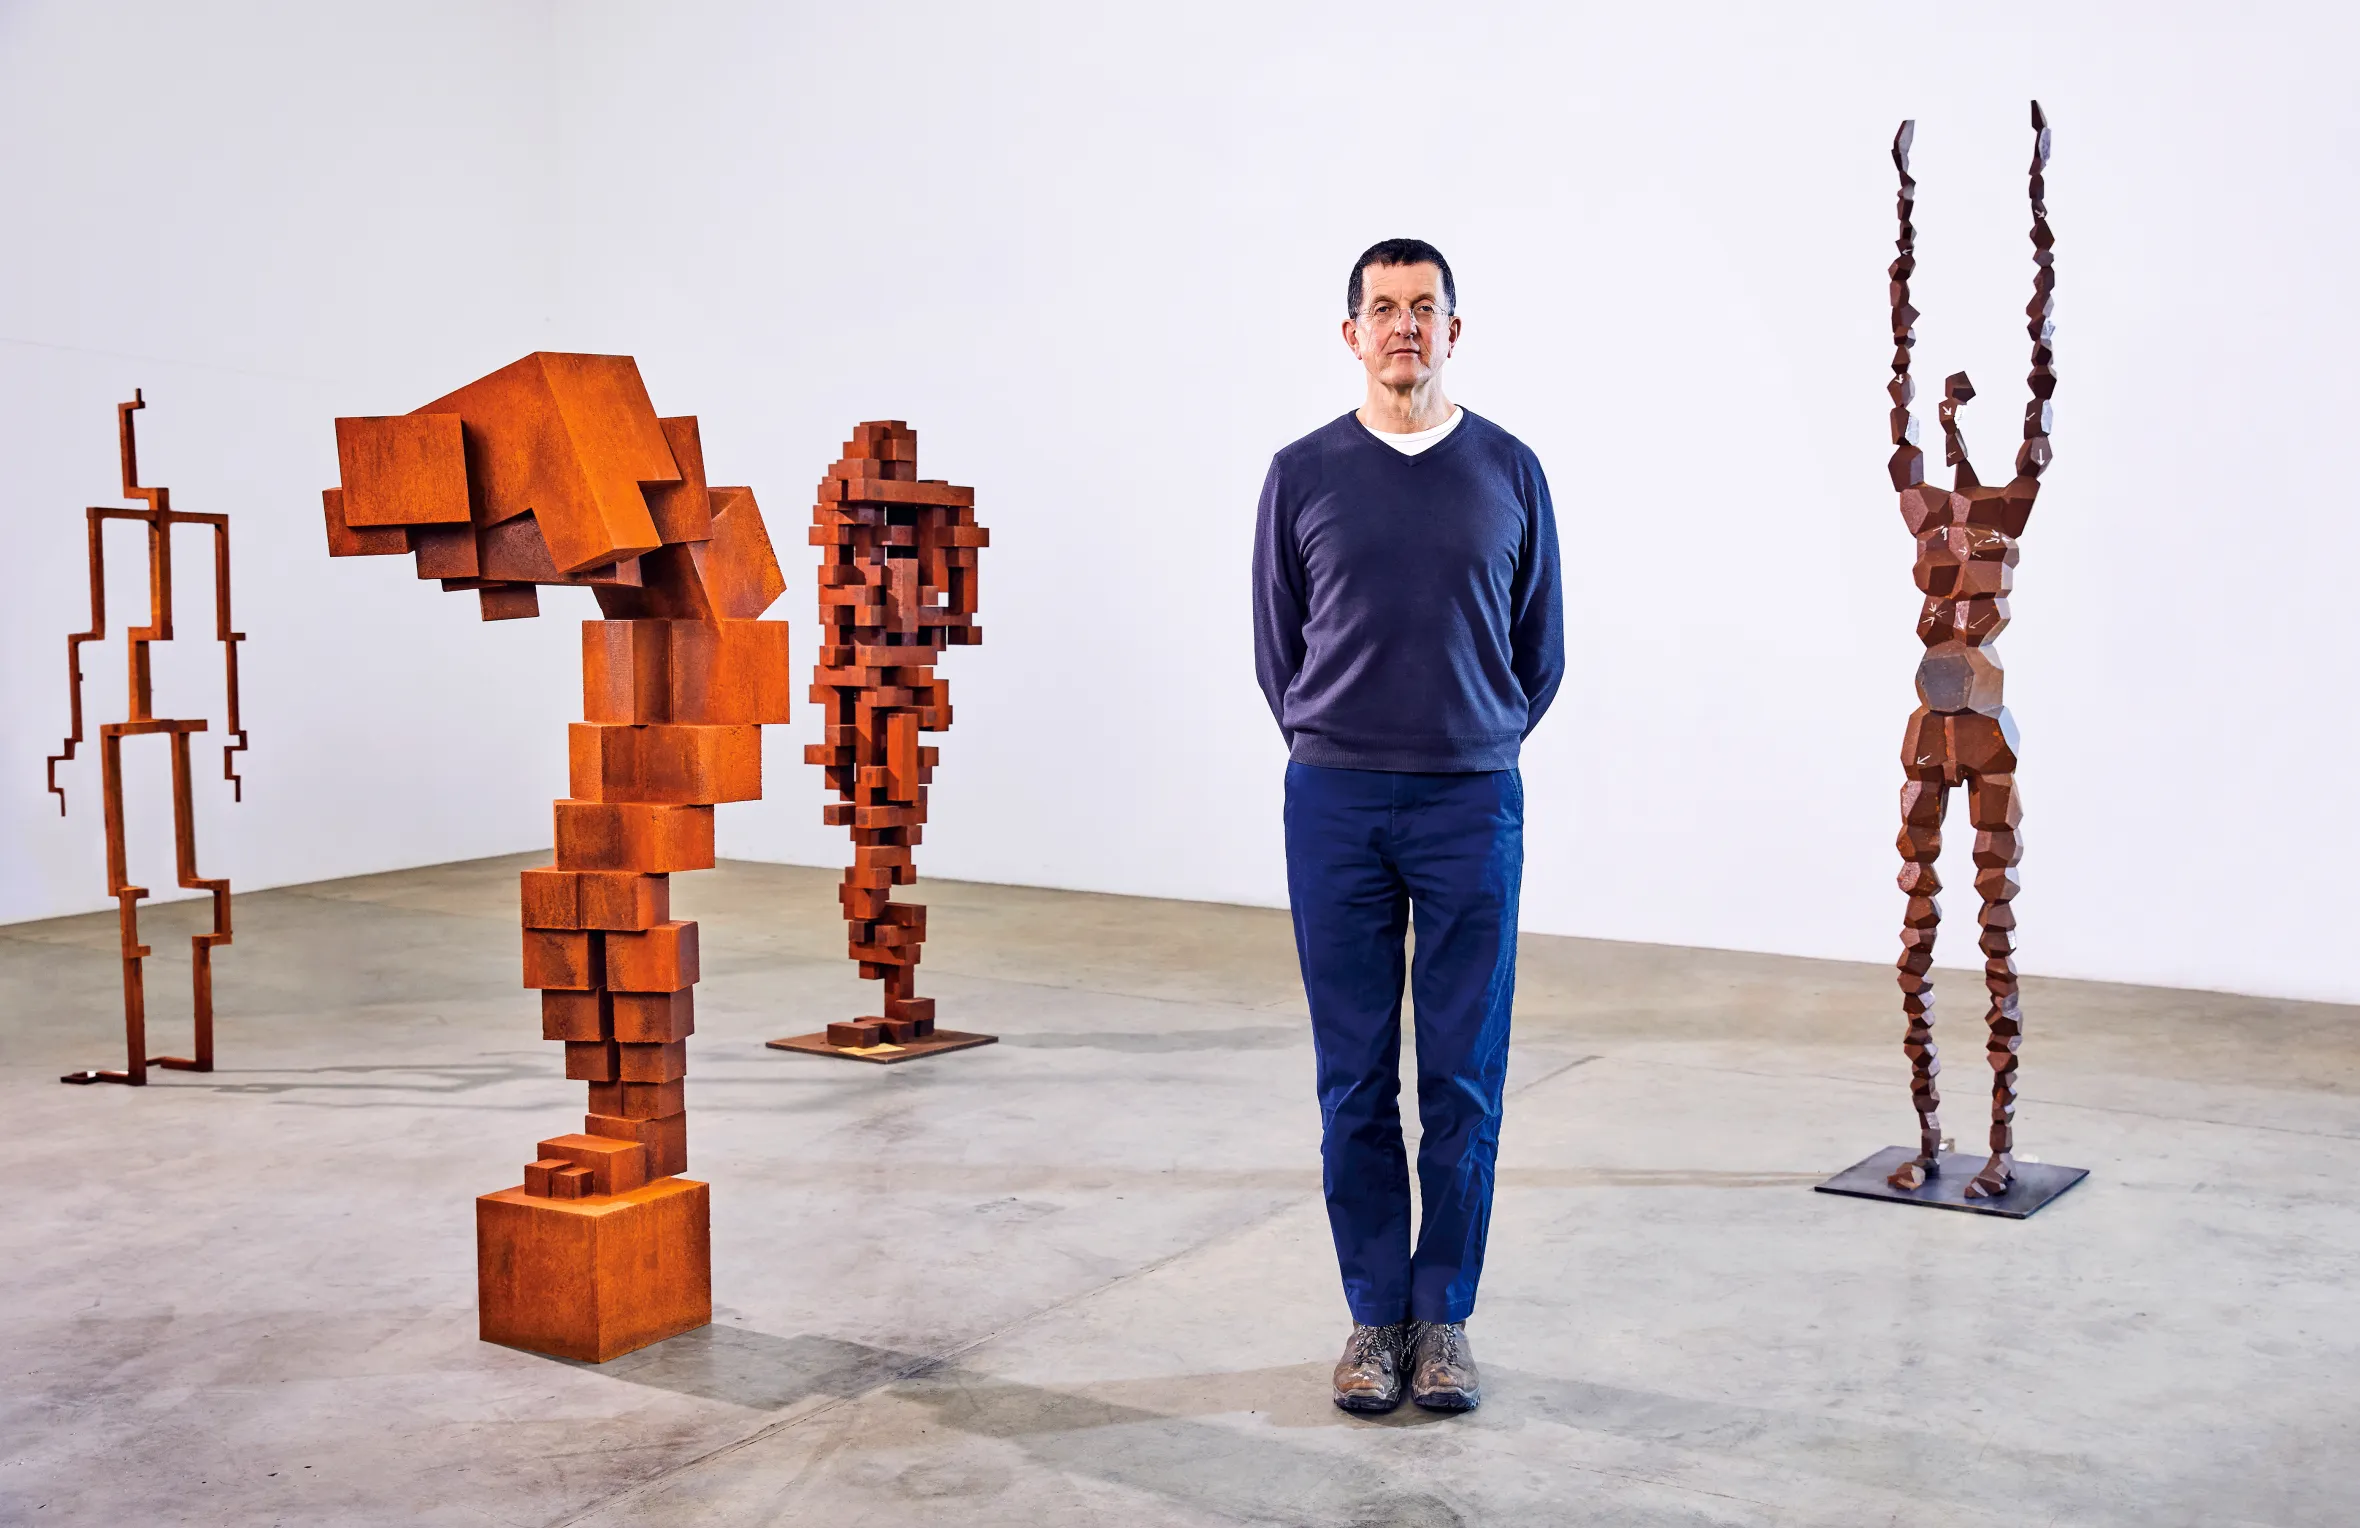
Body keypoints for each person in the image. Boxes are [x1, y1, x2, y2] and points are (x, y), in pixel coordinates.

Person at [1252, 238, 1564, 1414]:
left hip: (1470, 800)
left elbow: (1542, 649)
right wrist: (1334, 737)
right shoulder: (1300, 473)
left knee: (1463, 1078)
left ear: (1452, 330)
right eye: (1381, 309)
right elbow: (1275, 647)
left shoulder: (1510, 469)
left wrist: (1473, 736)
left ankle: (1444, 1321)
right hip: (1334, 801)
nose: (1402, 327)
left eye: (1422, 307)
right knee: (1351, 1076)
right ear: (1350, 334)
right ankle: (1372, 1317)